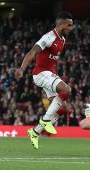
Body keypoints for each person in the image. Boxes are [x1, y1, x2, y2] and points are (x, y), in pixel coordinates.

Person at [14, 11, 74, 149]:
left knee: (63, 108)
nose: (71, 28)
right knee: (67, 90)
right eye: (69, 25)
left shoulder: (62, 40)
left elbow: (53, 62)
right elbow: (32, 52)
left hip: (50, 74)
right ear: (60, 24)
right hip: (40, 74)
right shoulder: (49, 37)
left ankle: (35, 132)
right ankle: (46, 121)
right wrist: (22, 69)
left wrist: (56, 77)